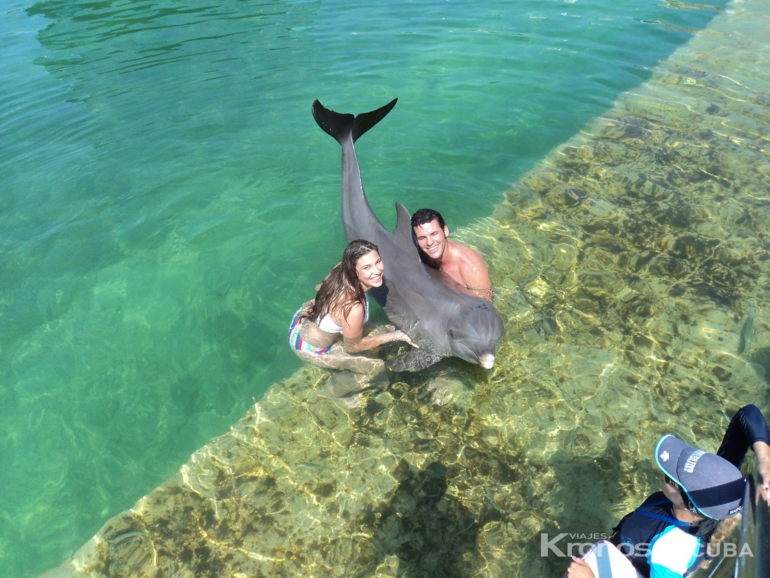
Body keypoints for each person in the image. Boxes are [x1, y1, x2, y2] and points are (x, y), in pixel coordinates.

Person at [565, 404, 770, 578]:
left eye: (670, 478)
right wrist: (764, 460)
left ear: (684, 503)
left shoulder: (672, 550)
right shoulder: (719, 488)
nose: (664, 473)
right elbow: (747, 414)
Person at [288, 239, 416, 379]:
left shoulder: (341, 269)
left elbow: (319, 288)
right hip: (309, 346)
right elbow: (352, 347)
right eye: (367, 267)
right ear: (354, 270)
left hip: (303, 318)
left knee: (379, 334)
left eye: (378, 261)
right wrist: (397, 336)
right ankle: (332, 393)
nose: (377, 270)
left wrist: (333, 312)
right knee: (376, 367)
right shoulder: (354, 307)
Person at [410, 208, 494, 302]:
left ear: (445, 231)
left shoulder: (472, 267)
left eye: (434, 234)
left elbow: (484, 308)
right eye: (422, 237)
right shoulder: (422, 252)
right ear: (416, 240)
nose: (429, 242)